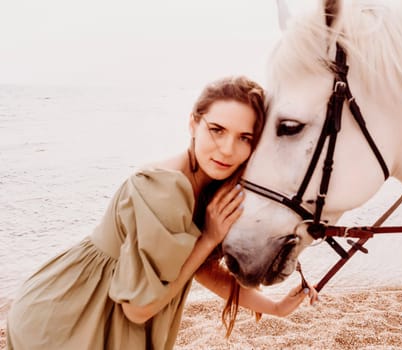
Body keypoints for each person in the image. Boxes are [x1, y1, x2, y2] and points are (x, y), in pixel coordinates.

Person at [6, 76, 318, 349]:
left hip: (104, 312)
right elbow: (139, 309)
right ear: (193, 123)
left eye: (244, 138)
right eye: (217, 130)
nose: (227, 149)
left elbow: (202, 269)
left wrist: (275, 307)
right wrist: (209, 238)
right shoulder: (164, 190)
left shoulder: (211, 184)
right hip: (70, 320)